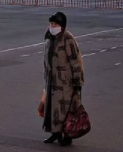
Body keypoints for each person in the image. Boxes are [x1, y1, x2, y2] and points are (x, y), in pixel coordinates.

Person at [42, 11, 84, 147]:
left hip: (65, 81)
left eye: (54, 23)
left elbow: (76, 61)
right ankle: (55, 132)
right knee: (52, 108)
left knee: (66, 109)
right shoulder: (49, 37)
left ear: (62, 25)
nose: (52, 26)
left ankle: (68, 135)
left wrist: (78, 81)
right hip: (52, 80)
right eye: (51, 23)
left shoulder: (68, 39)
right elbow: (46, 59)